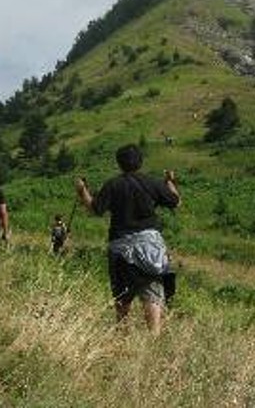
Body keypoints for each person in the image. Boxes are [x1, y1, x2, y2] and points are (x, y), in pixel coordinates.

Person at [75, 143, 180, 335]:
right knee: (153, 292)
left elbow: (95, 209)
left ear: (119, 163)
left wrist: (82, 190)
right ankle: (154, 338)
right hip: (151, 247)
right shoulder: (152, 183)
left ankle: (121, 337)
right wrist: (170, 181)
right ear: (140, 162)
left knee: (122, 296)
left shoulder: (112, 184)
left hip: (120, 246)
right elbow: (175, 201)